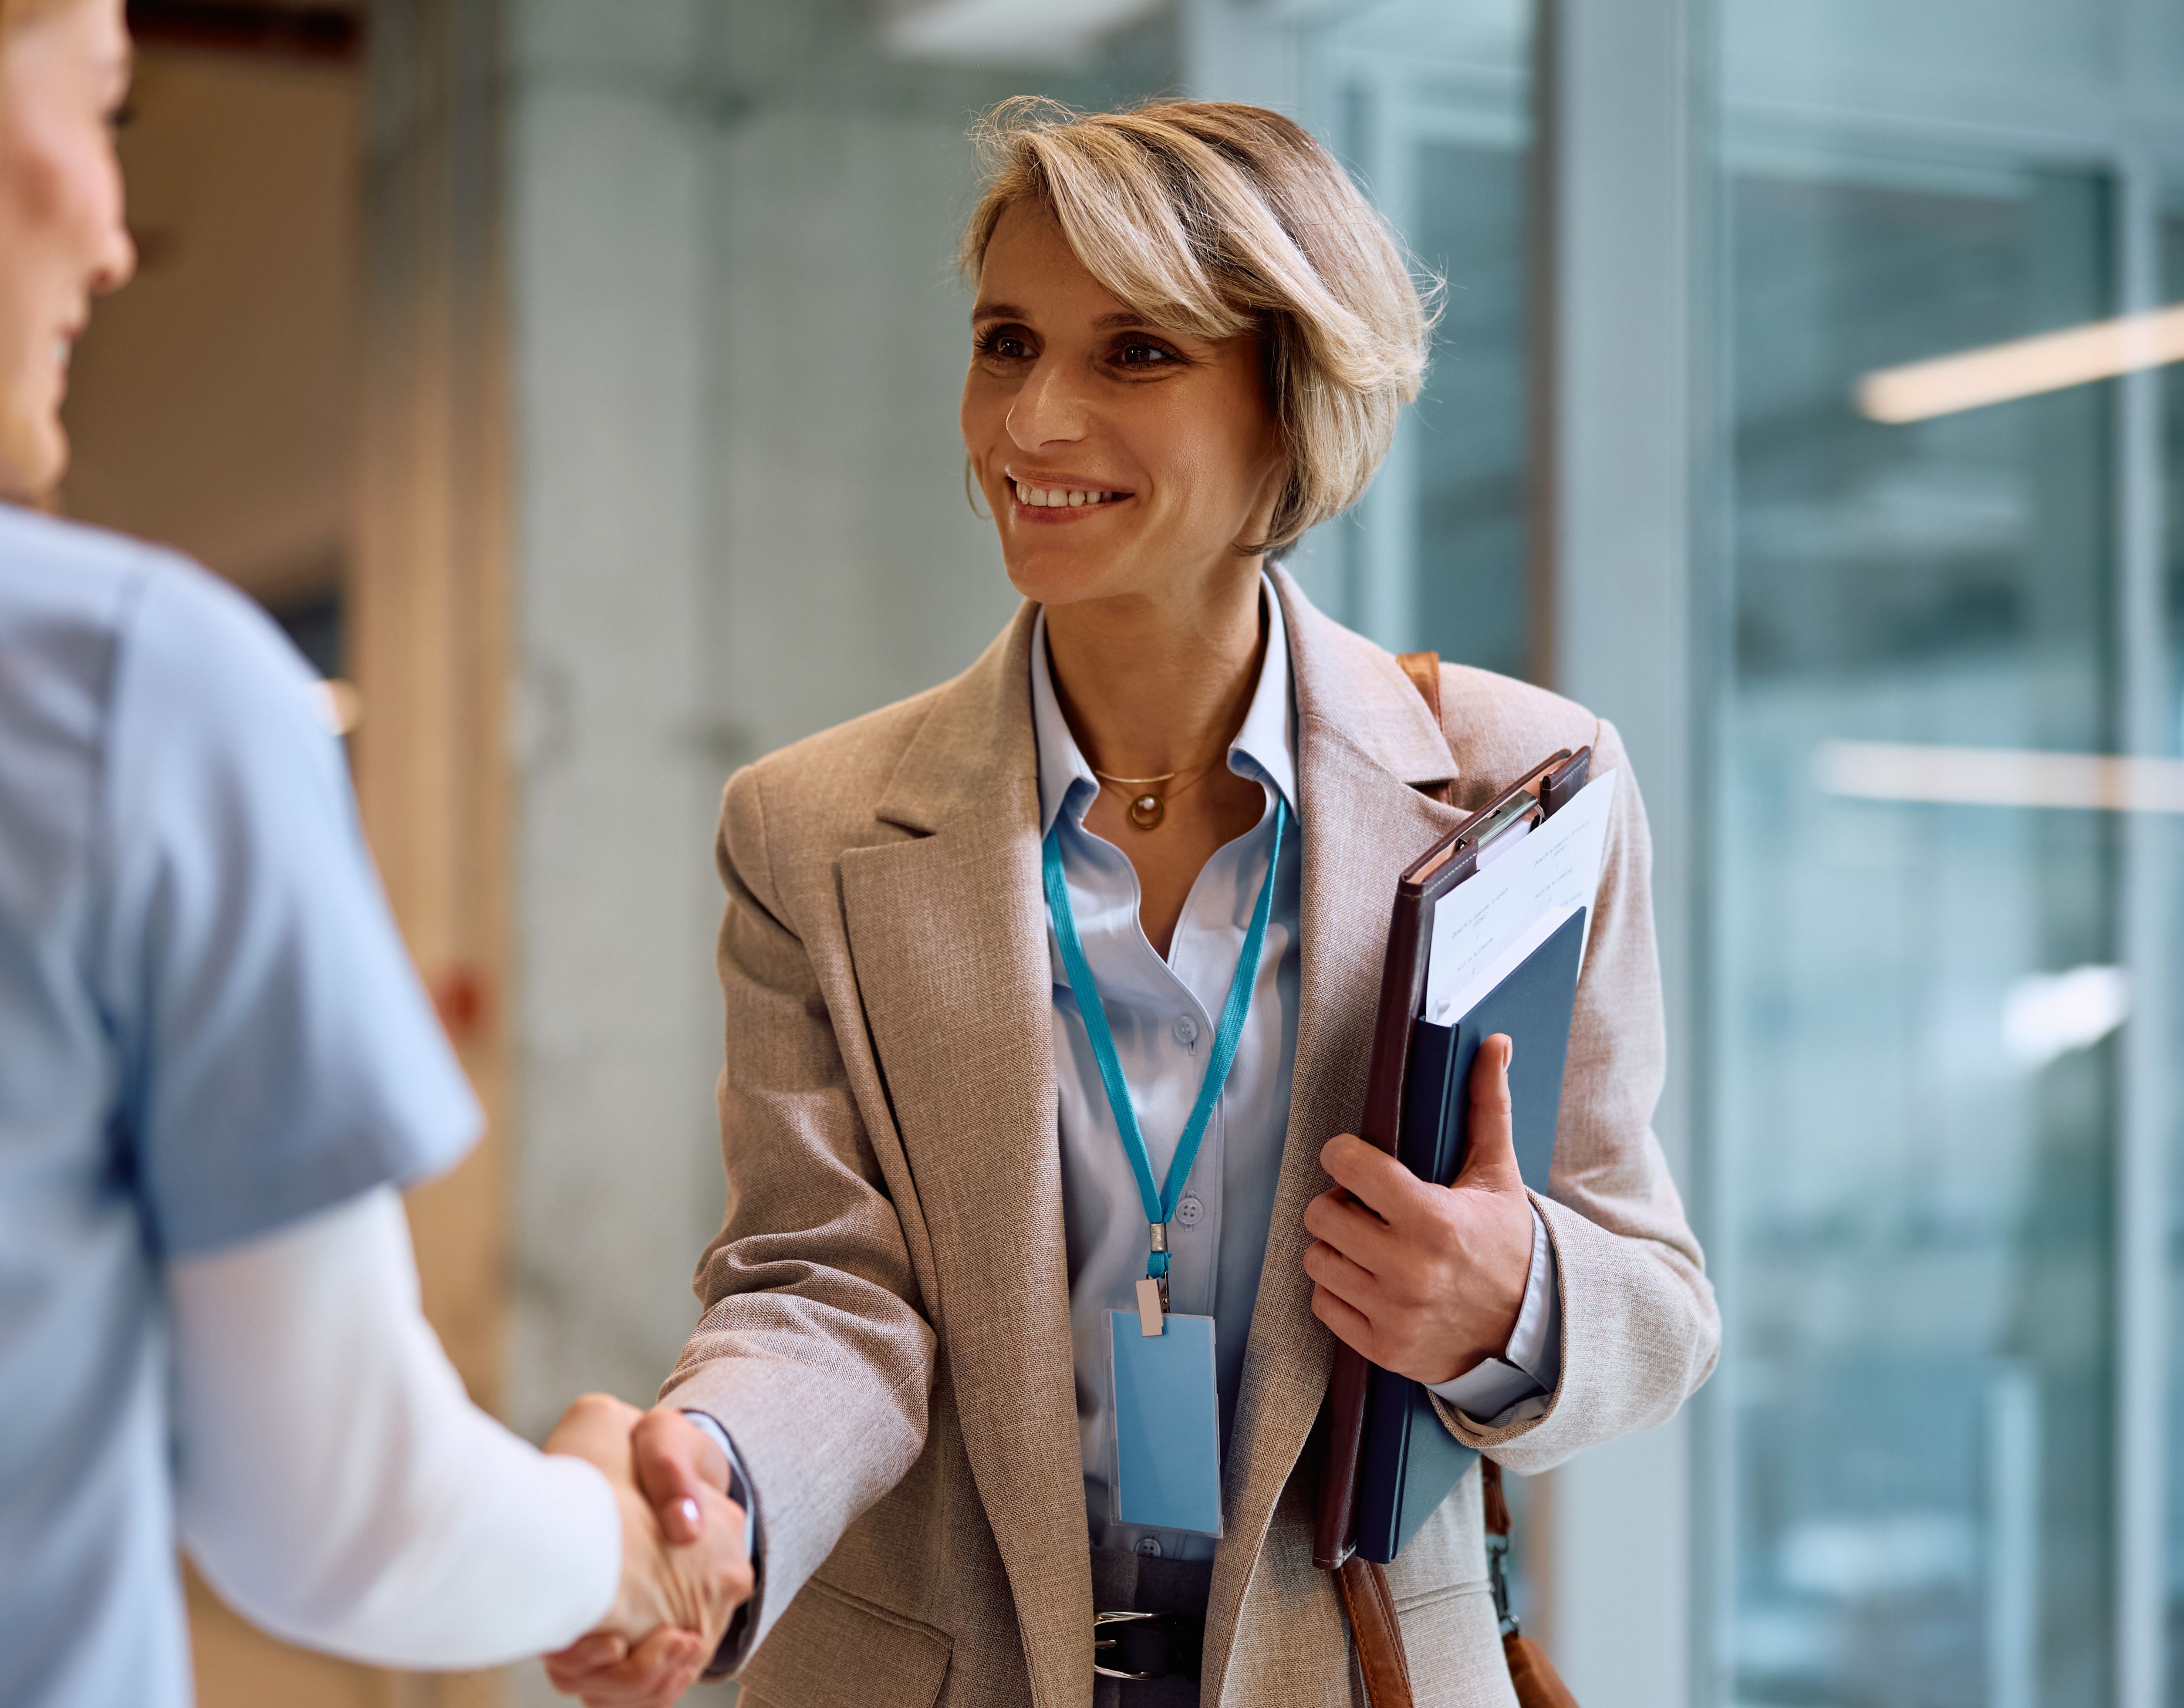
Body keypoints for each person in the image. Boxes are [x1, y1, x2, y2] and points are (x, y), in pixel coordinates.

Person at [0, 0, 747, 1700]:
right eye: (100, 117)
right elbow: (338, 1515)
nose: (111, 232)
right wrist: (616, 1532)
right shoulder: (121, 688)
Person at [548, 100, 1720, 1706]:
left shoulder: (1526, 781)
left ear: (1289, 395)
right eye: (1007, 341)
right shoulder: (809, 832)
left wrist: (1507, 1297)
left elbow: (1655, 1297)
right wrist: (715, 1483)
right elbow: (822, 1287)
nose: (1033, 417)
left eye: (1134, 354)